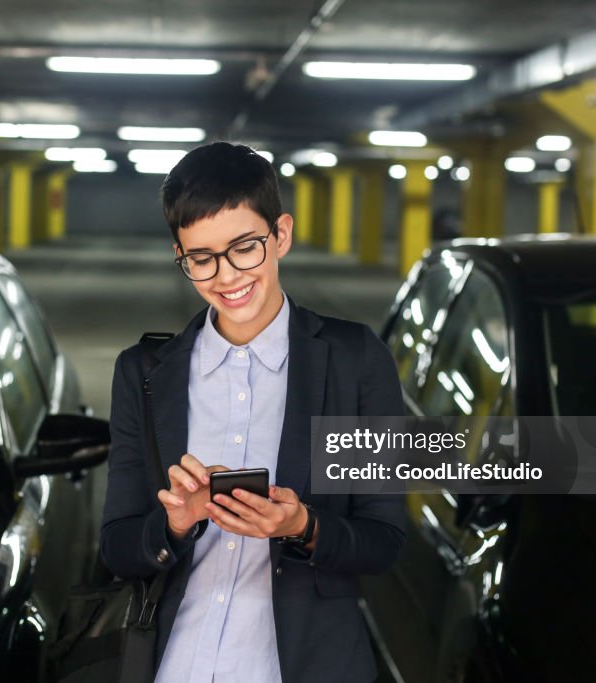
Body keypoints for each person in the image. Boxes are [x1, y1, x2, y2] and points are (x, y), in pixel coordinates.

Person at [100, 142, 405, 683]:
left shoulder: (356, 361)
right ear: (181, 255)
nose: (226, 276)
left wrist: (302, 525)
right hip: (174, 665)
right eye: (202, 258)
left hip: (301, 665)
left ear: (280, 234)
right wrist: (175, 522)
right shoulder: (144, 375)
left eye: (245, 247)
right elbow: (118, 547)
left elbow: (383, 540)